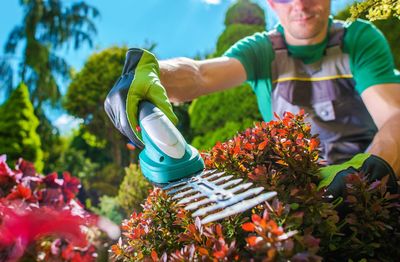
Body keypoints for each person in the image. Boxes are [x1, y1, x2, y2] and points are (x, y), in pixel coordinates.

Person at [104, 0, 400, 198]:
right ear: (272, 3)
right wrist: (155, 73)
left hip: (374, 182)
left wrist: (370, 172)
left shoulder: (358, 40)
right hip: (301, 192)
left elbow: (393, 116)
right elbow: (199, 74)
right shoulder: (263, 50)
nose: (299, 5)